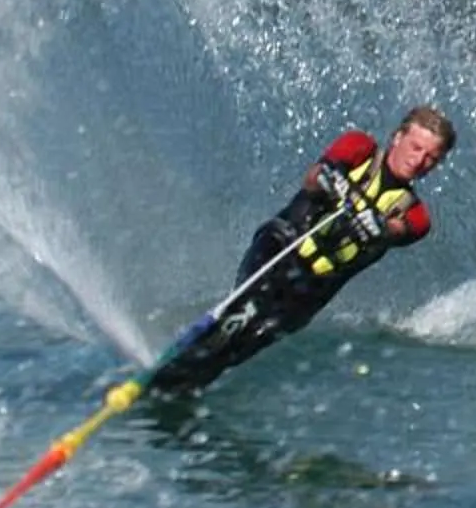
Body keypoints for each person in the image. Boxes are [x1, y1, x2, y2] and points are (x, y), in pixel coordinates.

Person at [150, 106, 455, 394]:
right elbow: (314, 177)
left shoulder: (415, 214)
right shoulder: (359, 146)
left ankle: (181, 389)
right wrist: (327, 178)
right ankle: (174, 363)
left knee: (244, 346)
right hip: (280, 247)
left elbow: (401, 229)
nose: (419, 161)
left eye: (431, 158)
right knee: (244, 311)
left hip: (311, 290)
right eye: (416, 148)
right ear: (398, 137)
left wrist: (379, 227)